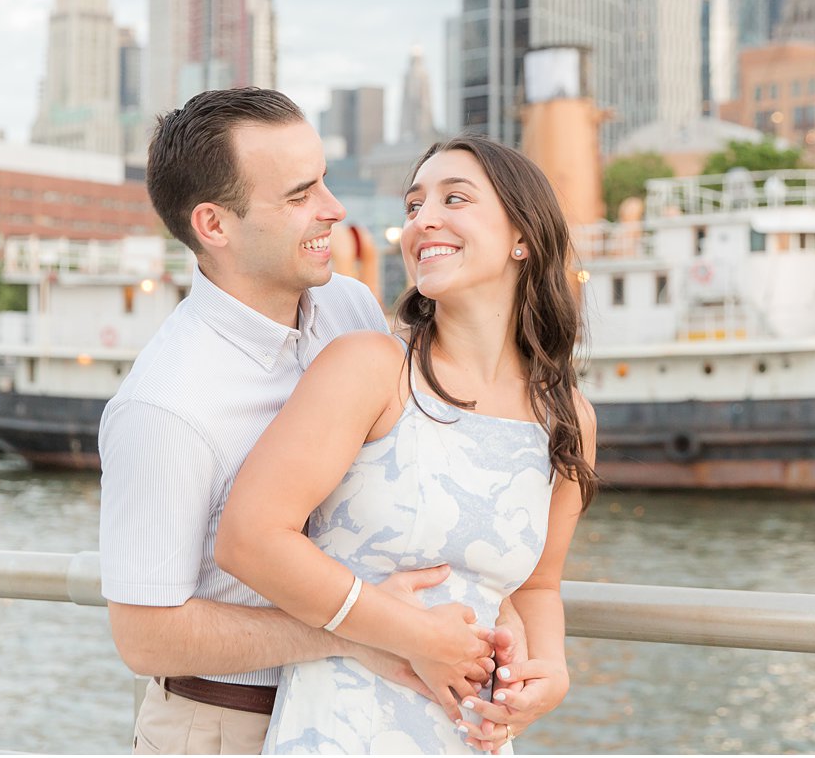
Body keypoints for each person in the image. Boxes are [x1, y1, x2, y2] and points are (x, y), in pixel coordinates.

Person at [99, 90, 508, 755]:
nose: (333, 207)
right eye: (300, 194)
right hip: (230, 728)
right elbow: (145, 636)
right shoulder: (165, 405)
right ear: (213, 224)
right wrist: (358, 630)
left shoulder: (349, 307)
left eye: (323, 178)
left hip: (369, 714)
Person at [217, 135, 598, 754]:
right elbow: (248, 538)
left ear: (522, 237)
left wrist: (550, 672)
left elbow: (536, 585)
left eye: (455, 199)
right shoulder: (370, 368)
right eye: (414, 205)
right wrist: (414, 635)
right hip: (343, 729)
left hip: (471, 738)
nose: (424, 221)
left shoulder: (567, 417)